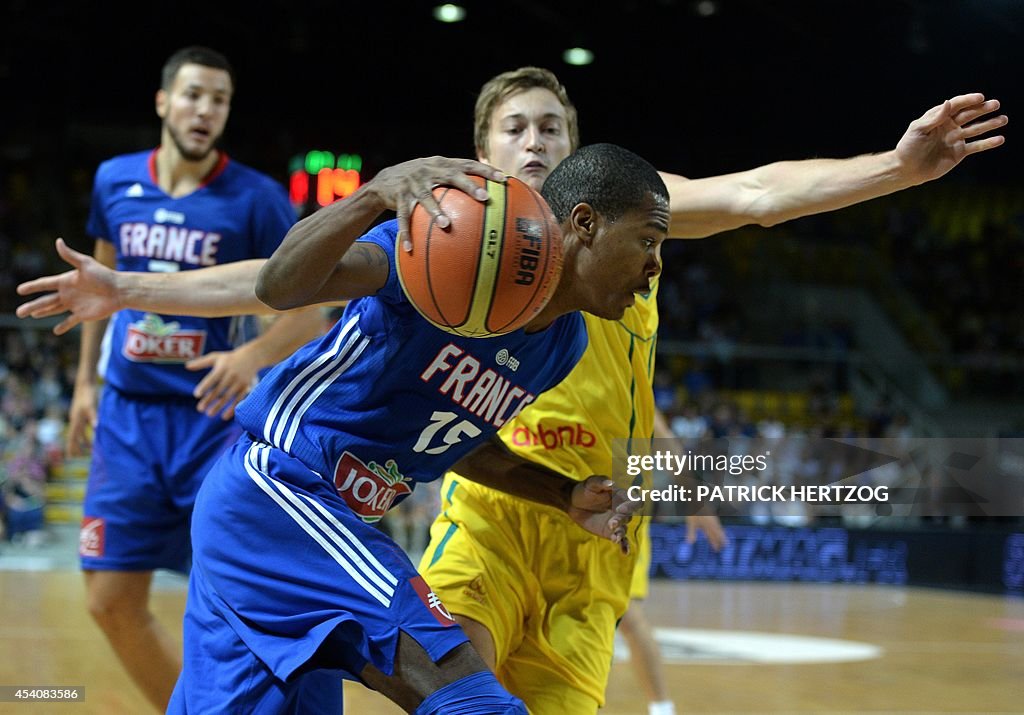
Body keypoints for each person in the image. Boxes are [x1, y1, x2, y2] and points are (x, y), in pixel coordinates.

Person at [18, 68, 1007, 713]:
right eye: (515, 128)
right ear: (487, 156)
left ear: (579, 166)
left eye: (551, 127)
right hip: (333, 497)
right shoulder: (447, 231)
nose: (533, 143)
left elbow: (756, 195)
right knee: (461, 687)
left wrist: (894, 166)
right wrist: (134, 288)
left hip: (564, 515)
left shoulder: (597, 275)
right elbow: (281, 282)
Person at [66, 46, 323, 711]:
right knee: (108, 599)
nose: (204, 110)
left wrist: (252, 356)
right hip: (126, 419)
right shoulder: (114, 181)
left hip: (210, 423)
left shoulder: (259, 200)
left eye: (219, 99)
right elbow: (102, 281)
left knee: (240, 599)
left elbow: (313, 311)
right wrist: (84, 384)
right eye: (193, 95)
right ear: (162, 102)